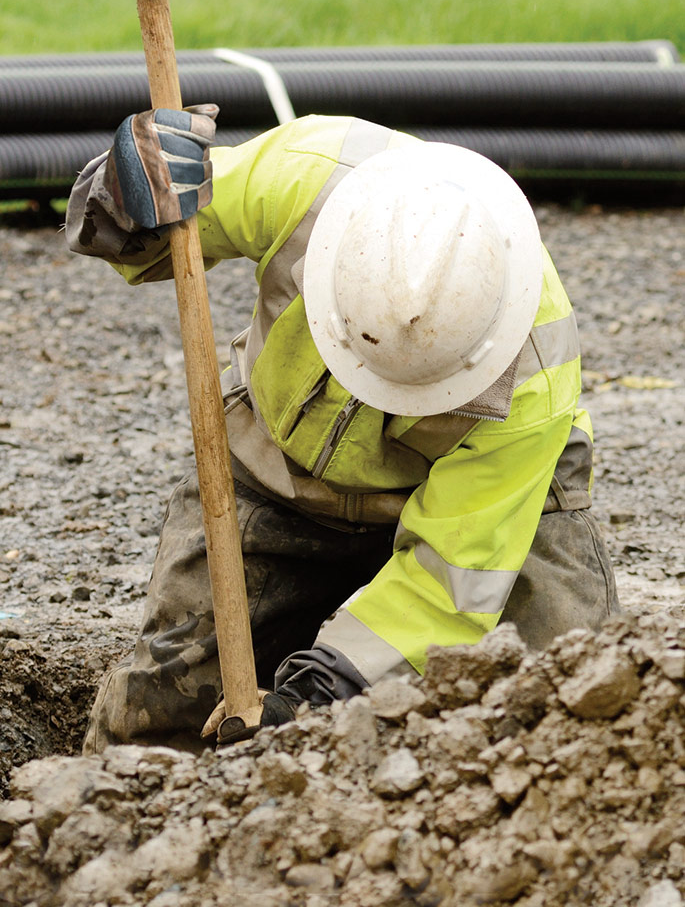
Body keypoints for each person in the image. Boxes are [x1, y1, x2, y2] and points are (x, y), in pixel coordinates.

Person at [66, 107, 620, 753]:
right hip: (278, 469)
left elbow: (449, 587)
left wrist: (313, 697)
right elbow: (168, 231)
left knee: (557, 715)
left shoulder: (532, 384)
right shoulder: (309, 177)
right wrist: (126, 194)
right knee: (160, 721)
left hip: (494, 518)